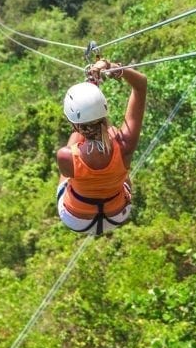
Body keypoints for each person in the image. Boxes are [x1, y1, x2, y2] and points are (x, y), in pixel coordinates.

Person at [56, 60, 147, 235]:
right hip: (117, 214)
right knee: (121, 166)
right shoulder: (124, 143)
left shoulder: (65, 156)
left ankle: (85, 114)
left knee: (69, 172)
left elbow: (78, 144)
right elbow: (140, 84)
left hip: (77, 219)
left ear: (73, 124)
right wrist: (113, 67)